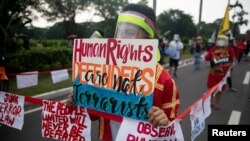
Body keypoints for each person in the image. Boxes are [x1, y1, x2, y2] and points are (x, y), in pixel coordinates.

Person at [67, 3, 180, 141]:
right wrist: (79, 100)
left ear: (148, 39)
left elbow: (174, 130)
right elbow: (93, 114)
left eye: (129, 32)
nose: (121, 38)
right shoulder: (103, 72)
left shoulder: (165, 81)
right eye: (120, 31)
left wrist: (165, 122)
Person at [205, 35, 235, 110]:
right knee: (220, 90)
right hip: (222, 75)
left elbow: (206, 58)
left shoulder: (214, 49)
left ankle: (209, 104)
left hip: (213, 73)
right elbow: (233, 61)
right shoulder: (230, 50)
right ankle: (217, 104)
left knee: (211, 90)